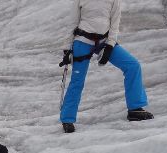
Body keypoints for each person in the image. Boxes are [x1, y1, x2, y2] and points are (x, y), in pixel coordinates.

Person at [59, 0, 154, 133]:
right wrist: (67, 48)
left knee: (133, 66)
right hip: (82, 41)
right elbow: (72, 23)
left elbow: (114, 24)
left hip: (105, 42)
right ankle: (67, 119)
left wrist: (109, 46)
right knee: (77, 81)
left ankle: (135, 109)